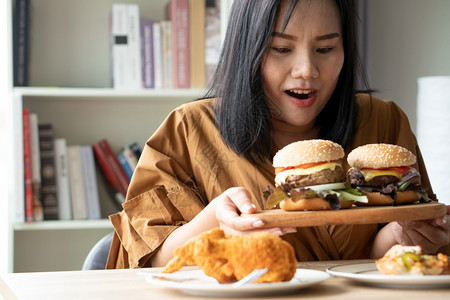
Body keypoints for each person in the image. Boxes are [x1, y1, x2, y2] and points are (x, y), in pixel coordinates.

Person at [106, 0, 450, 269]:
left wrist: (401, 235)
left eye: (326, 49)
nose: (307, 70)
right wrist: (216, 221)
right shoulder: (187, 130)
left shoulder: (383, 122)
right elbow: (146, 265)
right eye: (282, 49)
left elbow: (372, 259)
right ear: (247, 49)